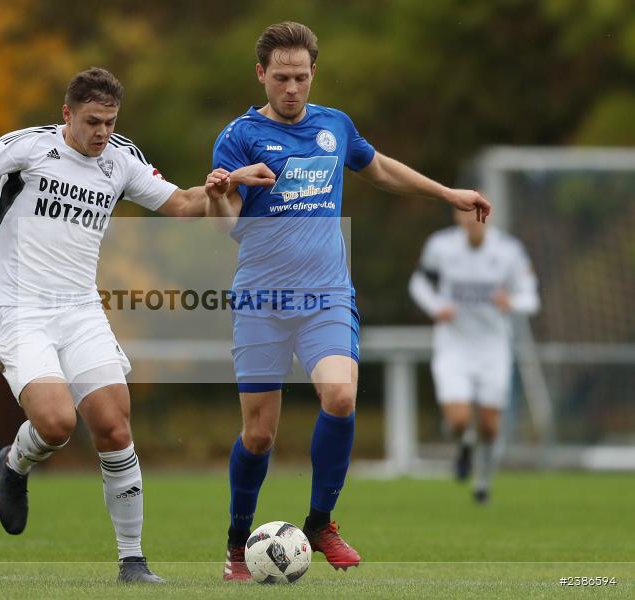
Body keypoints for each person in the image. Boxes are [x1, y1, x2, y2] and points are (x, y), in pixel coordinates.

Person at [0, 67, 263, 584]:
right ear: (67, 114)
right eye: (93, 121)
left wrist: (224, 183)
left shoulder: (120, 159)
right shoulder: (31, 148)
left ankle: (132, 561)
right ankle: (15, 461)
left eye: (110, 122)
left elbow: (183, 205)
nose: (103, 132)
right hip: (21, 309)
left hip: (80, 308)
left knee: (113, 423)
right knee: (56, 424)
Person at [209, 22, 491, 581]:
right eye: (281, 77)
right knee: (259, 434)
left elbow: (379, 168)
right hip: (261, 300)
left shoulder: (333, 126)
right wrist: (221, 192)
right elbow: (226, 230)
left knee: (339, 396)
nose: (292, 88)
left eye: (301, 77)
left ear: (314, 73)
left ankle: (320, 522)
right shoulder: (237, 137)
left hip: (325, 296)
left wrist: (447, 193)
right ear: (261, 75)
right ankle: (238, 543)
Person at [409, 208, 539, 504]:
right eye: (465, 213)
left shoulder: (509, 251)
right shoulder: (440, 247)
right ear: (456, 217)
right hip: (454, 344)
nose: (471, 220)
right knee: (458, 419)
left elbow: (531, 298)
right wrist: (435, 306)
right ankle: (465, 444)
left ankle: (482, 483)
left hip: (493, 347)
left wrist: (513, 302)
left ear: (487, 216)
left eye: (477, 214)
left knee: (491, 426)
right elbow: (418, 284)